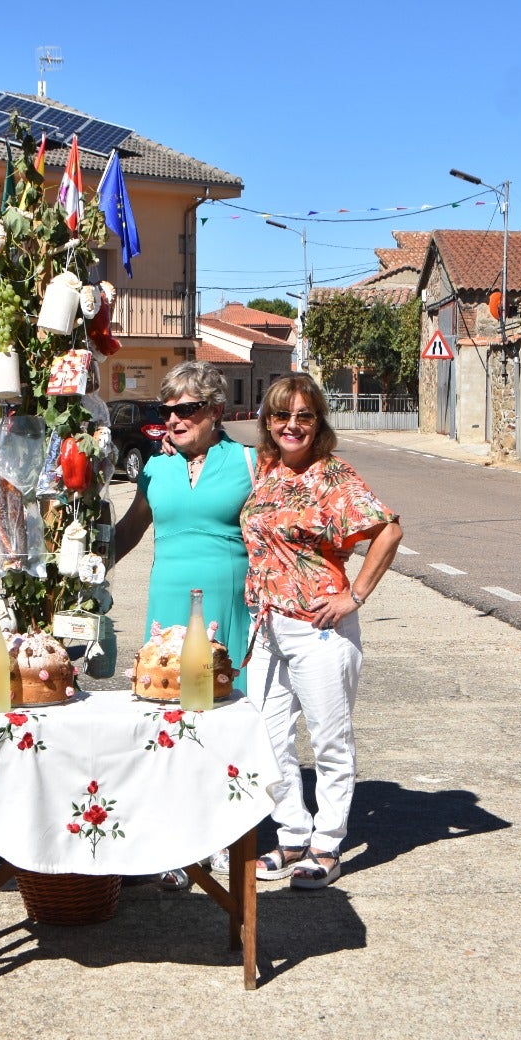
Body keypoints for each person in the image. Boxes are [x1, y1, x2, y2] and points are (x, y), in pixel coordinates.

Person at [241, 373, 402, 890]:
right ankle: (291, 833)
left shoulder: (332, 478)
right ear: (268, 422)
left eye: (304, 416)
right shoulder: (267, 470)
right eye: (281, 415)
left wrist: (354, 595)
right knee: (269, 738)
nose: (292, 425)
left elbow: (389, 529)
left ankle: (327, 845)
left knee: (329, 742)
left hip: (319, 629)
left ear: (319, 423)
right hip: (267, 626)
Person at [113, 360, 257, 889]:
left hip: (227, 603)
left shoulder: (248, 461)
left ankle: (222, 838)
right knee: (167, 719)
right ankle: (171, 844)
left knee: (221, 717)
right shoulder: (154, 466)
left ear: (215, 411)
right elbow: (131, 528)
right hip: (167, 604)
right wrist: (82, 564)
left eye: (186, 410)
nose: (173, 419)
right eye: (166, 410)